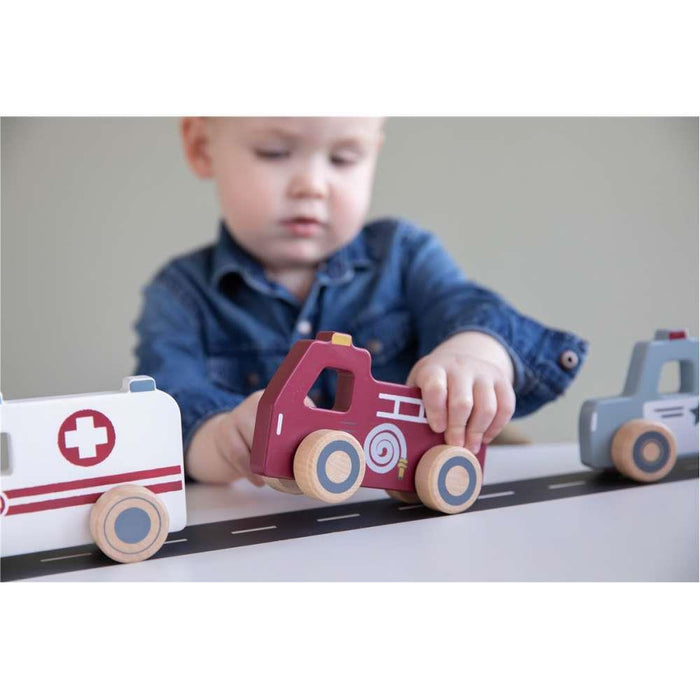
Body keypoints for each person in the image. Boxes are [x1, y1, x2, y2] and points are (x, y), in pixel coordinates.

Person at [134, 117, 588, 485]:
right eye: (274, 152)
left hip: (418, 481)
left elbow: (467, 306)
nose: (312, 185)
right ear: (202, 147)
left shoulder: (404, 255)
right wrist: (222, 439)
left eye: (344, 158)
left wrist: (476, 354)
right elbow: (169, 408)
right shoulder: (179, 295)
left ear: (373, 154)